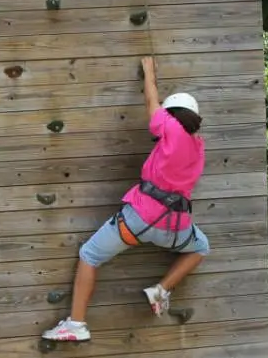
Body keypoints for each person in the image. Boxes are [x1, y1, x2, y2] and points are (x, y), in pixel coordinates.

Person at [42, 56, 210, 341]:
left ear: (172, 114)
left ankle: (77, 324)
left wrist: (148, 73)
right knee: (202, 247)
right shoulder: (198, 147)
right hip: (176, 231)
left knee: (90, 255)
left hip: (139, 221)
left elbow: (151, 105)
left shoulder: (169, 127)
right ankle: (161, 290)